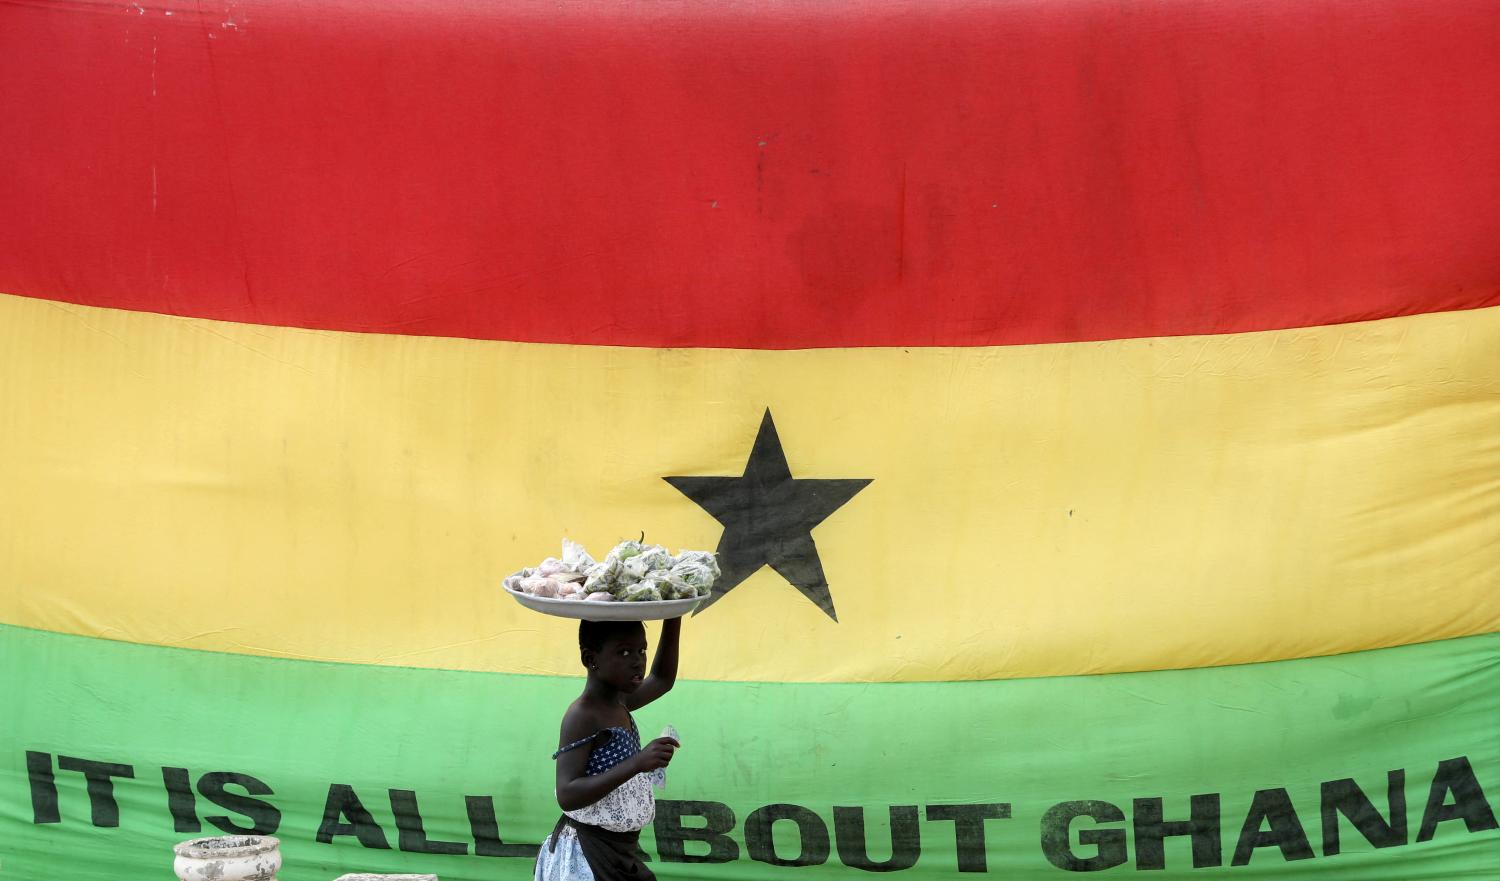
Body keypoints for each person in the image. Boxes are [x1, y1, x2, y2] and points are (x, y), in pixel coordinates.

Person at [534, 617, 682, 881]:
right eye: (624, 652)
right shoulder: (583, 714)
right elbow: (568, 793)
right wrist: (638, 763)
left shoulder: (620, 701)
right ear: (591, 659)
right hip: (589, 854)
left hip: (620, 852)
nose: (637, 661)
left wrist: (674, 615)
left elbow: (662, 678)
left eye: (642, 650)